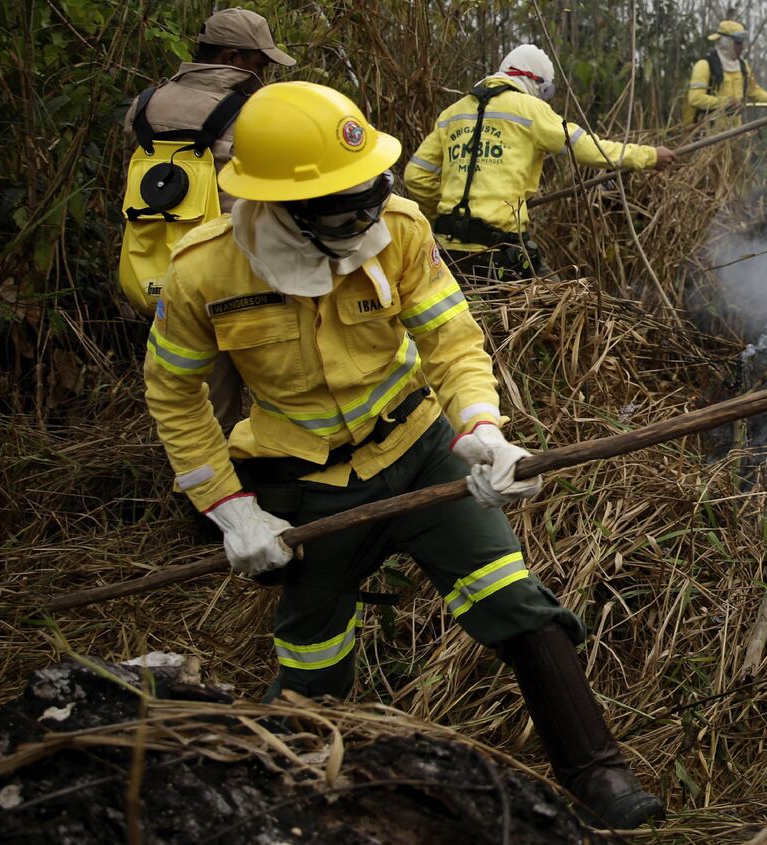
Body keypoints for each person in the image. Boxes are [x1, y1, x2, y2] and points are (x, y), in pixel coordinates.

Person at [143, 81, 666, 831]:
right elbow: (174, 396)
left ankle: (601, 777)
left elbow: (451, 339)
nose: (366, 218)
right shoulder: (205, 271)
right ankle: (280, 806)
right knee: (313, 663)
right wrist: (231, 509)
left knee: (518, 604)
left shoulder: (400, 225)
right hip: (307, 487)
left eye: (369, 192)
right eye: (342, 206)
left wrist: (482, 429)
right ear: (281, 204)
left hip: (420, 453)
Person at [119, 7, 295, 428]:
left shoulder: (144, 106)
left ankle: (203, 478)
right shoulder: (248, 113)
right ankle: (255, 480)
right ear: (234, 58)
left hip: (159, 266)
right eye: (261, 63)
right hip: (232, 270)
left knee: (193, 397)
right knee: (280, 390)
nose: (265, 73)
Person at [404, 44, 675, 282]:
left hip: (447, 254)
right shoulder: (529, 109)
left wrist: (445, 215)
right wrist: (649, 156)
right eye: (545, 90)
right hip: (499, 252)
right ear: (532, 79)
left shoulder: (452, 113)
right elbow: (589, 149)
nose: (543, 98)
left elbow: (416, 175)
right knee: (568, 311)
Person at [681, 20, 767, 127]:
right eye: (738, 42)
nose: (742, 47)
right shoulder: (705, 65)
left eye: (742, 43)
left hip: (733, 134)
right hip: (707, 135)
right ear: (726, 42)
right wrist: (725, 102)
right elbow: (695, 98)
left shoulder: (743, 67)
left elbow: (755, 92)